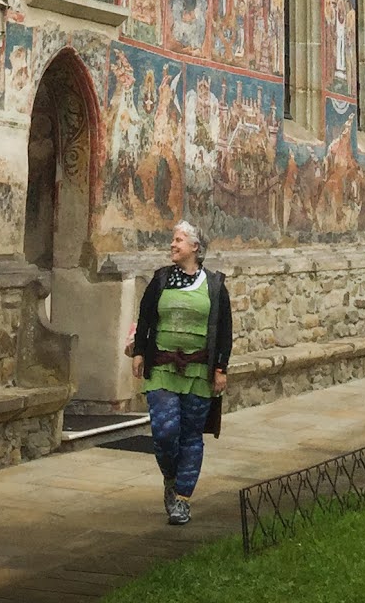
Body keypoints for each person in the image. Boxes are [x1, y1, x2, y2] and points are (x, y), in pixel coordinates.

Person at [130, 220, 232, 527]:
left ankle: (182, 501)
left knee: (190, 436)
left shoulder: (214, 285)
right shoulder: (160, 279)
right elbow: (146, 316)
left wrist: (220, 368)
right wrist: (138, 351)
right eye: (173, 240)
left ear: (195, 248)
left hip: (199, 371)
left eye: (179, 240)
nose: (173, 245)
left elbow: (224, 329)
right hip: (161, 367)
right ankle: (171, 478)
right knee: (164, 432)